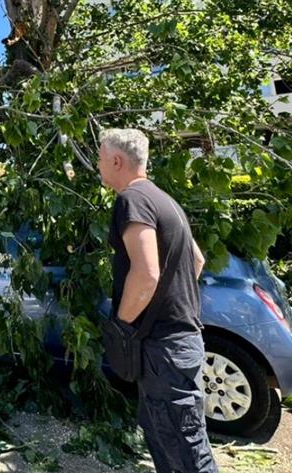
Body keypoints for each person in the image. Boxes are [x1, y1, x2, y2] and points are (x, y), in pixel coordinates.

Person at [97, 129, 217, 473]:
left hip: (162, 349)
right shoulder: (164, 199)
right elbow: (196, 260)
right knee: (164, 436)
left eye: (101, 159)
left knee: (186, 449)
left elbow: (147, 273)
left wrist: (123, 324)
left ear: (116, 160)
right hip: (178, 344)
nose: (99, 165)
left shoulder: (131, 201)